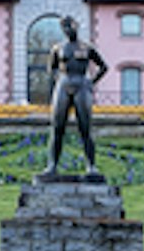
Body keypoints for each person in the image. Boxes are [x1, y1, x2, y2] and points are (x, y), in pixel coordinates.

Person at [42, 16, 108, 176]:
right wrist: (59, 79)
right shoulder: (58, 48)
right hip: (64, 84)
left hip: (82, 85)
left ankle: (91, 166)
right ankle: (52, 165)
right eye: (64, 27)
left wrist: (91, 82)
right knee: (57, 127)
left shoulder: (87, 48)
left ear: (76, 27)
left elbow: (103, 67)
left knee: (85, 127)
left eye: (70, 26)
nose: (68, 30)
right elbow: (51, 68)